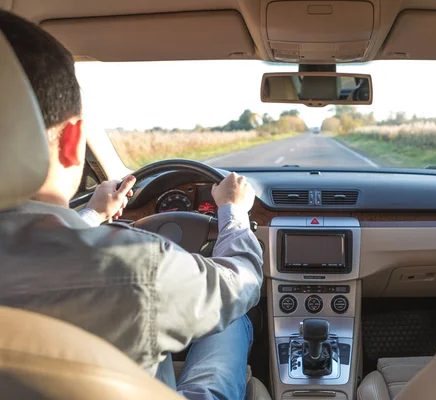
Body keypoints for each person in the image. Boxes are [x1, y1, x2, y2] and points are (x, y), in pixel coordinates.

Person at [0, 10, 263, 400]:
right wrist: (234, 211)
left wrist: (92, 215)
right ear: (74, 139)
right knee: (232, 319)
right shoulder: (138, 268)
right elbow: (243, 280)